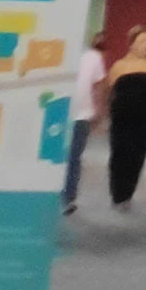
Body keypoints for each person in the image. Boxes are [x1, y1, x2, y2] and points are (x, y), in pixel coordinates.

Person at [104, 28, 146, 212]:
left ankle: (127, 194)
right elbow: (109, 91)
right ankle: (117, 193)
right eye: (142, 41)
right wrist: (106, 112)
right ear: (131, 44)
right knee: (119, 154)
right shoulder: (119, 66)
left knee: (137, 155)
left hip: (145, 116)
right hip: (122, 116)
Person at [63, 38, 106, 216]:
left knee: (74, 158)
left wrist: (99, 110)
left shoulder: (92, 57)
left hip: (81, 115)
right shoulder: (60, 50)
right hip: (55, 116)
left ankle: (68, 198)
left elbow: (100, 85)